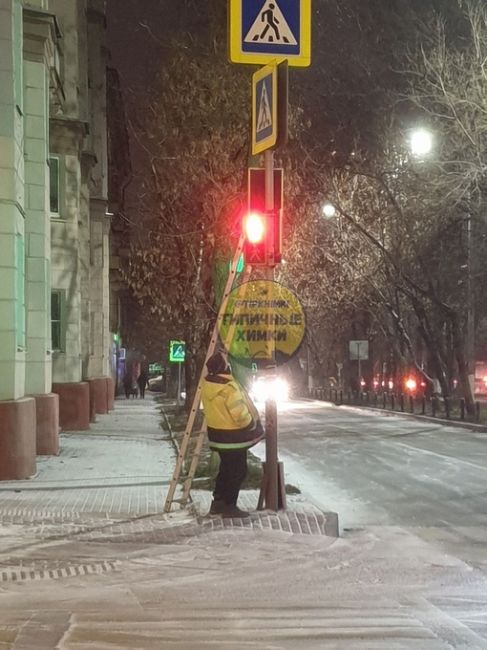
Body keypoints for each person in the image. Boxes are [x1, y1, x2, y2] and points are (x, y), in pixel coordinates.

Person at [201, 351, 264, 518]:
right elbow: (239, 413)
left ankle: (218, 503)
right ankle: (230, 505)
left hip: (218, 436)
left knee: (226, 469)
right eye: (227, 362)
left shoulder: (208, 385)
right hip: (234, 437)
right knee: (238, 470)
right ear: (224, 367)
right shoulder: (228, 387)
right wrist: (250, 424)